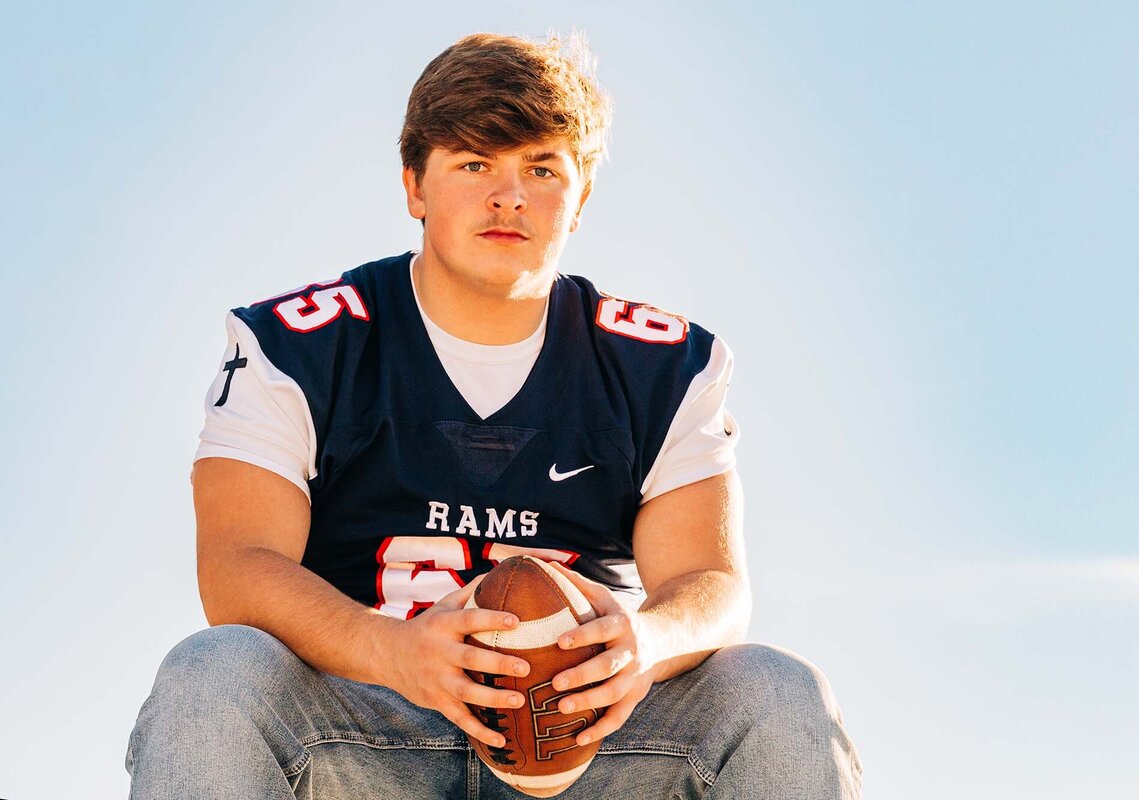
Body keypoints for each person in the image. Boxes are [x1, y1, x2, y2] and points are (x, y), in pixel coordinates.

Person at [125, 31, 862, 799]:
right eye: (474, 164)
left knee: (776, 692)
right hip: (368, 721)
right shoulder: (299, 345)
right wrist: (397, 650)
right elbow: (237, 568)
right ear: (413, 185)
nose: (508, 196)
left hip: (591, 738)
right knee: (211, 675)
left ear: (578, 199)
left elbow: (708, 580)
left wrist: (644, 641)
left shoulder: (660, 364)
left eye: (541, 169)